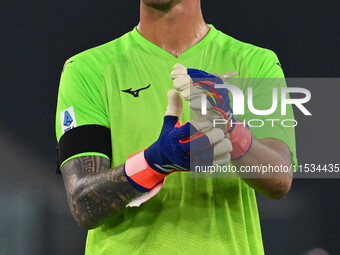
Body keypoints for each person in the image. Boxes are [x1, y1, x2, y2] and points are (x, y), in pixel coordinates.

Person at [55, 0, 297, 254]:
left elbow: (279, 179)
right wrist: (153, 163)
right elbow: (83, 204)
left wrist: (229, 127)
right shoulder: (85, 70)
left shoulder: (257, 62)